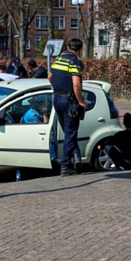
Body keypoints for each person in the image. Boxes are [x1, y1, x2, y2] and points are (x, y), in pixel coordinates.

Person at [49, 38, 87, 176]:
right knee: (70, 133)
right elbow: (76, 84)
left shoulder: (58, 60)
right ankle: (65, 166)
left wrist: (57, 88)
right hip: (69, 101)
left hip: (57, 99)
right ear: (80, 49)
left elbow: (50, 76)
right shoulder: (75, 62)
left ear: (68, 47)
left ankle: (76, 156)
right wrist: (80, 101)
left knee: (68, 133)